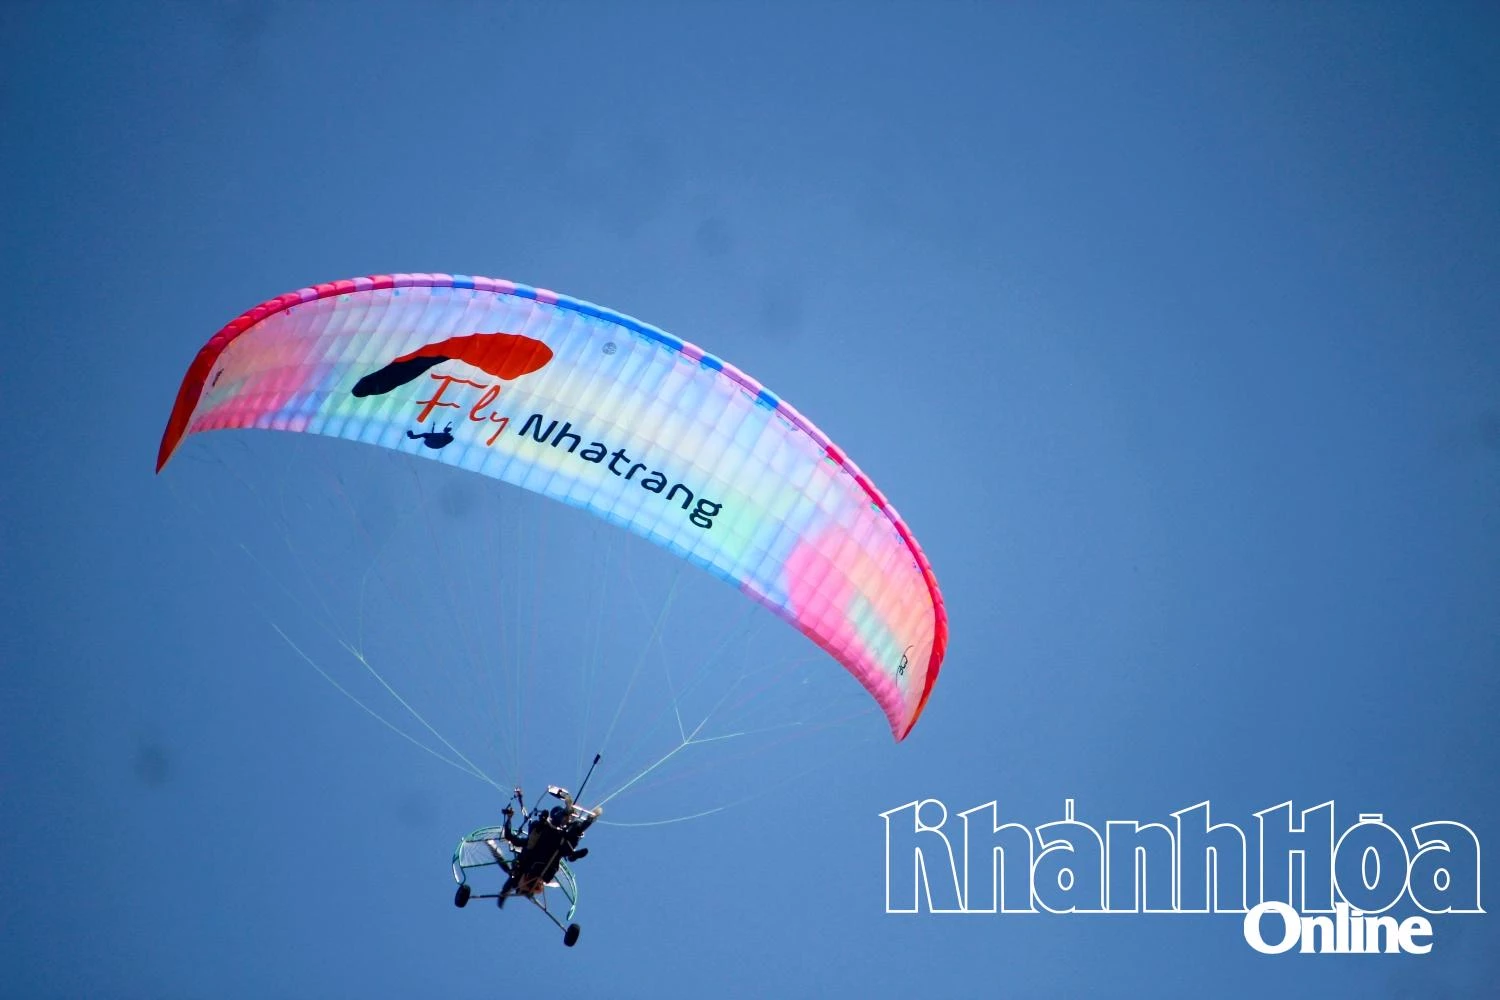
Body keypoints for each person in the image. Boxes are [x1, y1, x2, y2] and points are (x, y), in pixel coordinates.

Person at [486, 786, 601, 906]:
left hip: (544, 836)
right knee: (571, 837)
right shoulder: (545, 876)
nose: (533, 887)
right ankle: (588, 822)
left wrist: (509, 818)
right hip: (557, 844)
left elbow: (509, 836)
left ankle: (572, 820)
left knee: (556, 835)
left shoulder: (518, 871)